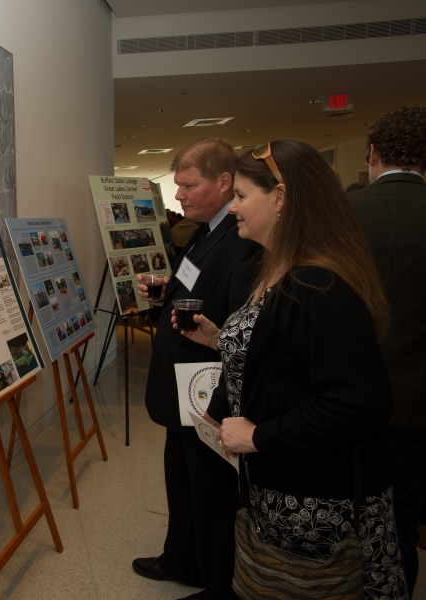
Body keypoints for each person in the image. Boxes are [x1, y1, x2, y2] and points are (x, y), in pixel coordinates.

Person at [180, 139, 406, 599]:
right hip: (284, 486)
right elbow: (288, 355)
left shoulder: (317, 284)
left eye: (242, 195)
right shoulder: (280, 269)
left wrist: (257, 436)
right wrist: (223, 340)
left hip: (318, 500)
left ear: (281, 198)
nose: (235, 207)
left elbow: (359, 403)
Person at [133, 137, 262, 600]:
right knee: (182, 480)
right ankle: (181, 558)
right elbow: (199, 285)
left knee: (211, 494)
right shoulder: (206, 230)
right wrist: (168, 290)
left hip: (206, 391)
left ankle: (217, 583)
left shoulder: (242, 238)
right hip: (180, 392)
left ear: (224, 183)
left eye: (189, 185)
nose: (179, 196)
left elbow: (243, 321)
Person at [350, 104, 426, 593]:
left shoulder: (346, 214)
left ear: (373, 153)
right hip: (418, 405)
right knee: (402, 516)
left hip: (349, 398)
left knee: (350, 515)